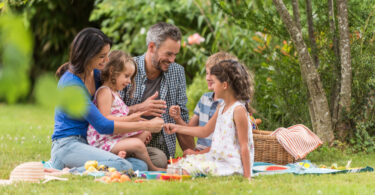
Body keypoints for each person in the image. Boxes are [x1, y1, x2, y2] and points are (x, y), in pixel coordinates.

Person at [51, 27, 164, 173]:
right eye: (102, 56)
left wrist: (140, 108)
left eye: (107, 55)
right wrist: (147, 125)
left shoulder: (96, 75)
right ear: (87, 55)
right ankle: (68, 171)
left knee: (140, 166)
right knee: (123, 166)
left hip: (88, 143)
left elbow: (112, 110)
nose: (107, 60)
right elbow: (102, 124)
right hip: (67, 145)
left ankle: (83, 167)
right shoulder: (72, 85)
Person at [165, 60, 255, 180]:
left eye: (214, 82)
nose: (211, 86)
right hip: (216, 158)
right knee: (179, 164)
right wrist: (177, 127)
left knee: (182, 170)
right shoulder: (222, 107)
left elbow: (244, 145)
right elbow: (204, 131)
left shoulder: (238, 110)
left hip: (231, 165)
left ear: (224, 85)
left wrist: (247, 176)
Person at [120, 22, 194, 168]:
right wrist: (141, 108)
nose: (172, 60)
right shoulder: (127, 68)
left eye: (175, 55)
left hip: (158, 150)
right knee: (158, 161)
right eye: (168, 54)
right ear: (152, 47)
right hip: (125, 141)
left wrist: (190, 153)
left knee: (160, 159)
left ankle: (124, 163)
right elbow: (109, 115)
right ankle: (122, 160)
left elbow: (184, 128)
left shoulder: (177, 72)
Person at [86, 50, 165, 171]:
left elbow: (120, 114)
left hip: (114, 137)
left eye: (130, 77)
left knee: (145, 132)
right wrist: (130, 119)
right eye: (126, 76)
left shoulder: (115, 93)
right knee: (138, 144)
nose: (129, 81)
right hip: (103, 141)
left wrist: (140, 122)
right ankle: (152, 167)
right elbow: (105, 119)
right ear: (112, 71)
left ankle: (124, 153)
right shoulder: (104, 92)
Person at [169, 52, 239, 156]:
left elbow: (223, 144)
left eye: (212, 74)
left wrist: (197, 154)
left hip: (218, 153)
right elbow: (191, 130)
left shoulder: (229, 105)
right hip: (201, 152)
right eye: (207, 73)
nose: (208, 78)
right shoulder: (205, 99)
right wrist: (178, 118)